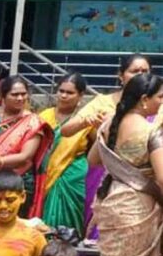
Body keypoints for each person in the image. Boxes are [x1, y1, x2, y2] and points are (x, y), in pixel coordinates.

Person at [85, 72, 163, 256]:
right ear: (144, 100)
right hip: (138, 205)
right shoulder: (152, 132)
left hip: (112, 199)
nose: (161, 102)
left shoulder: (110, 125)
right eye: (159, 97)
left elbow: (93, 160)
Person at [61, 54, 152, 242]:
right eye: (134, 71)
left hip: (142, 177)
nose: (140, 75)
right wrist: (89, 121)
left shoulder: (156, 105)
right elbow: (66, 130)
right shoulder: (103, 102)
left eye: (145, 71)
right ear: (121, 76)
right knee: (98, 231)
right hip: (102, 175)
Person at [0, 75, 53, 217]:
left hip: (17, 180)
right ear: (3, 95)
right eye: (15, 94)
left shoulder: (32, 122)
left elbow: (25, 156)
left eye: (23, 94)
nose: (20, 98)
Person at [39, 73, 91, 236]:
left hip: (73, 175)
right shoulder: (43, 116)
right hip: (46, 174)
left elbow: (97, 149)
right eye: (61, 90)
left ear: (81, 95)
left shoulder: (85, 120)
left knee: (73, 216)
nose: (63, 95)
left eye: (69, 92)